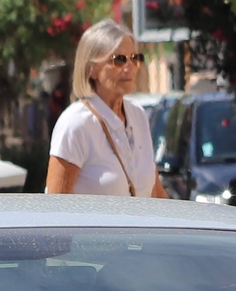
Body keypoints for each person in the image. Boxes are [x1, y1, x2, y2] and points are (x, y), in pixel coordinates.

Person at [44, 20, 168, 199]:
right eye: (119, 60)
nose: (130, 67)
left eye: (135, 58)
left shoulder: (138, 115)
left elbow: (155, 192)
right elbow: (54, 207)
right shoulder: (75, 124)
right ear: (92, 69)